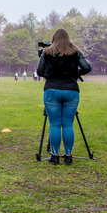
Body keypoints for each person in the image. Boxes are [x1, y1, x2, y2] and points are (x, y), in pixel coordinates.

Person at [37, 28, 92, 165]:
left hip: (52, 90)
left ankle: (55, 156)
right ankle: (68, 156)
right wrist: (74, 73)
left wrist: (51, 74)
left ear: (54, 38)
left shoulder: (47, 51)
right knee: (68, 125)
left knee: (54, 125)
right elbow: (87, 67)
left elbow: (39, 71)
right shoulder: (75, 51)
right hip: (71, 90)